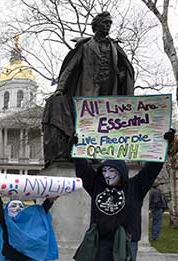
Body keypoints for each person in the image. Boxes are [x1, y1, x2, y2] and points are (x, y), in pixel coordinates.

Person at [72, 129, 175, 261]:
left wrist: (164, 144)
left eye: (112, 171)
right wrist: (77, 147)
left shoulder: (136, 186)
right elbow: (82, 169)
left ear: (121, 171)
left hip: (126, 241)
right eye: (105, 170)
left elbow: (153, 167)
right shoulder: (96, 185)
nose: (107, 175)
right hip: (102, 240)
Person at [42, 11, 134, 164]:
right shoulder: (85, 47)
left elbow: (125, 68)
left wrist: (123, 75)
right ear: (96, 25)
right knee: (87, 123)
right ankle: (87, 154)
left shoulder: (114, 47)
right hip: (88, 91)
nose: (108, 26)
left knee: (103, 123)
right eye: (105, 23)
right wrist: (60, 88)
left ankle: (99, 154)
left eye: (110, 23)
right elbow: (70, 69)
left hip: (108, 92)